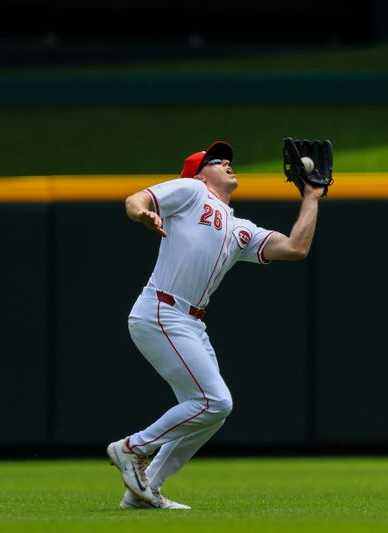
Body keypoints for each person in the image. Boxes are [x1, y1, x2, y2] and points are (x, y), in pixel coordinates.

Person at [106, 140, 325, 510]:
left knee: (209, 413)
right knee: (214, 402)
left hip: (191, 322)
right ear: (199, 173)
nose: (226, 162)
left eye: (227, 159)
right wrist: (145, 213)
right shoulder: (191, 191)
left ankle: (145, 491)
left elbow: (295, 248)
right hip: (162, 311)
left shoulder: (240, 228)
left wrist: (312, 197)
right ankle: (132, 448)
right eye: (215, 160)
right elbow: (134, 201)